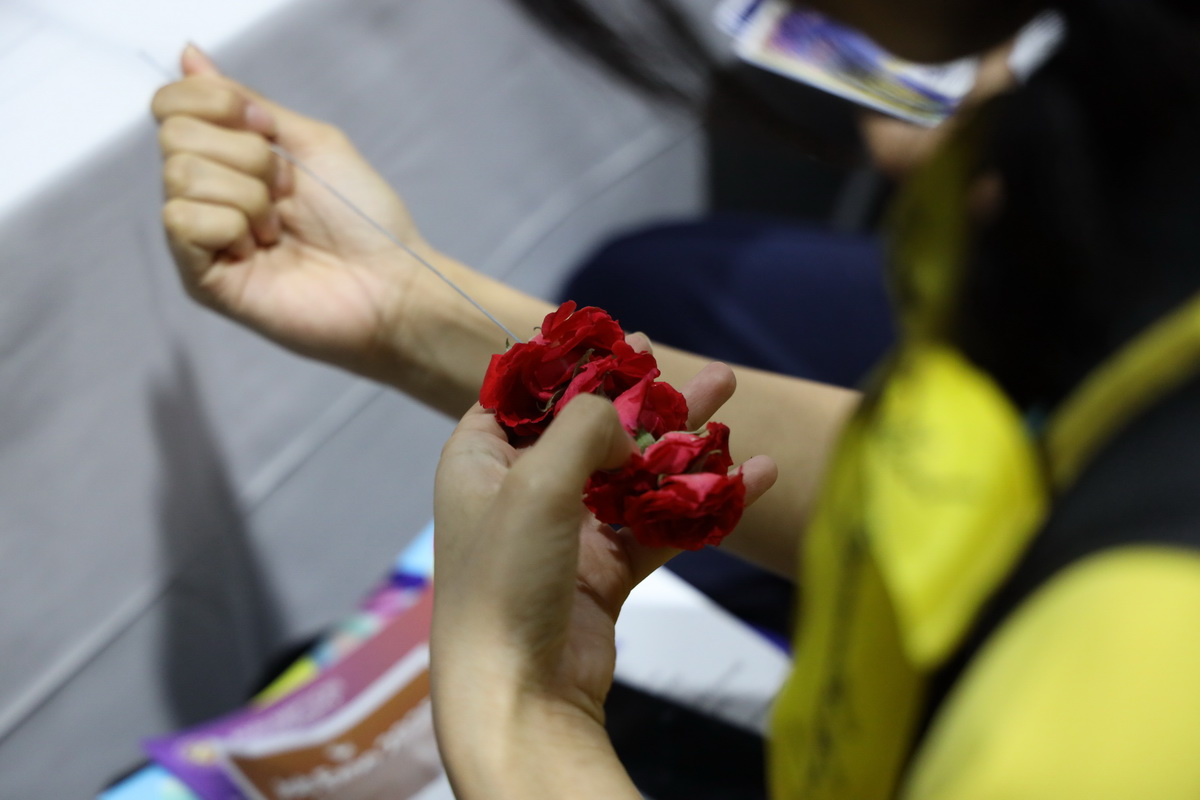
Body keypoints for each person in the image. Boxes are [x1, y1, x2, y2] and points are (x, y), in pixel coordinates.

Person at [151, 0, 1200, 795]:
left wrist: (520, 720)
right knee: (651, 278)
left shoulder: (1113, 686)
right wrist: (406, 307)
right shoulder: (1137, 218)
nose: (892, 143)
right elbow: (1007, 485)